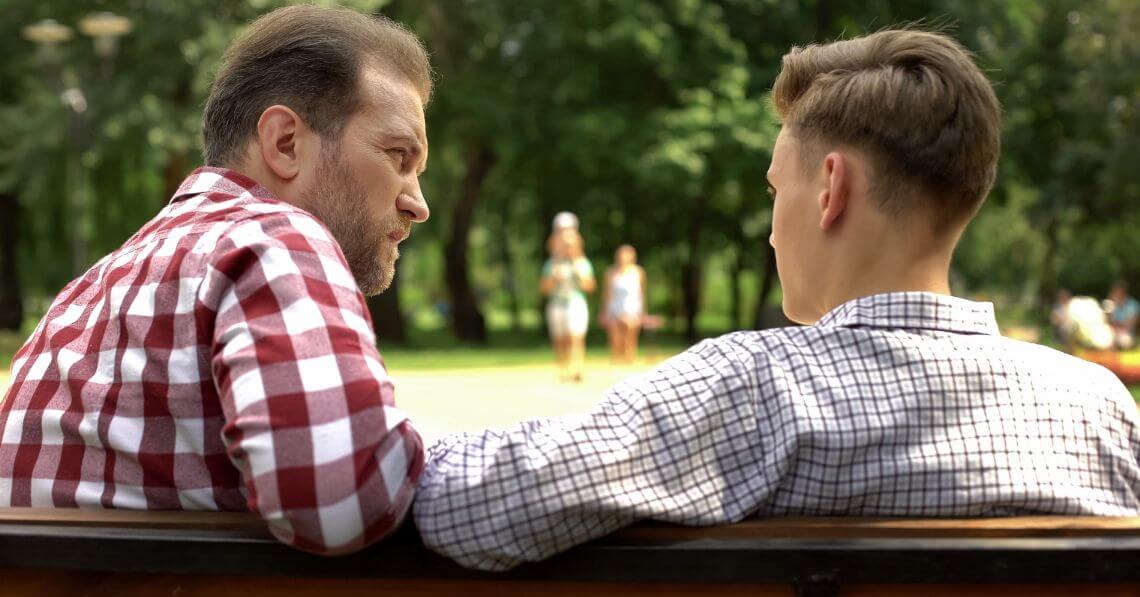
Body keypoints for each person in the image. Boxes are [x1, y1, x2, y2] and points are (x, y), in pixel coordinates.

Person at [413, 28, 1140, 571]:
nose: (769, 231)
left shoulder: (756, 388)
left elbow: (465, 507)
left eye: (774, 191)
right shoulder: (1100, 408)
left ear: (829, 189)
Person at [0, 6, 432, 556]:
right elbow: (341, 501)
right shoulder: (272, 238)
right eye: (399, 156)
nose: (417, 204)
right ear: (284, 143)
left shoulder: (84, 294)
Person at [540, 212, 596, 381]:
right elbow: (544, 289)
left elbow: (590, 286)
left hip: (575, 302)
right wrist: (554, 276)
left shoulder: (582, 263)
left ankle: (577, 368)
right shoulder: (551, 264)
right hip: (557, 303)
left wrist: (578, 272)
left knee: (576, 336)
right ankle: (563, 368)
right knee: (560, 339)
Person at [601, 245, 647, 364]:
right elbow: (607, 293)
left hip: (632, 309)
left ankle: (629, 361)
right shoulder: (611, 272)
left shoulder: (638, 272)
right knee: (615, 338)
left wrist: (642, 311)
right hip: (614, 308)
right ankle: (617, 360)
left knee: (630, 336)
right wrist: (604, 311)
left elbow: (642, 293)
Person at [1108, 281, 1139, 350]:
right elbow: (1109, 323)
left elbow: (1129, 326)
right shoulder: (1111, 305)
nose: (1118, 295)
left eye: (1120, 293)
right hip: (1114, 332)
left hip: (1127, 334)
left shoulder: (1133, 305)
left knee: (1124, 341)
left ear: (1125, 293)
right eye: (1115, 292)